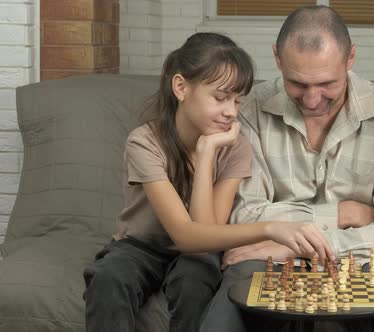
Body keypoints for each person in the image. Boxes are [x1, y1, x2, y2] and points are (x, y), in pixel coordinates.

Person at [199, 6, 374, 332]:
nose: (311, 100)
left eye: (326, 84)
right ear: (277, 58)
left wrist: (292, 241)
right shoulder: (248, 112)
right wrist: (342, 215)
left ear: (350, 58)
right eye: (297, 83)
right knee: (224, 315)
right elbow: (242, 216)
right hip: (266, 259)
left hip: (361, 259)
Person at [82, 32, 334, 332]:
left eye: (237, 100)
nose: (231, 111)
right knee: (109, 276)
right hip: (142, 245)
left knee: (195, 279)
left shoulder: (235, 147)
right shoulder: (145, 143)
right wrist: (271, 228)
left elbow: (206, 231)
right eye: (220, 97)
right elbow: (187, 234)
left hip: (201, 250)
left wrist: (206, 153)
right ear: (181, 87)